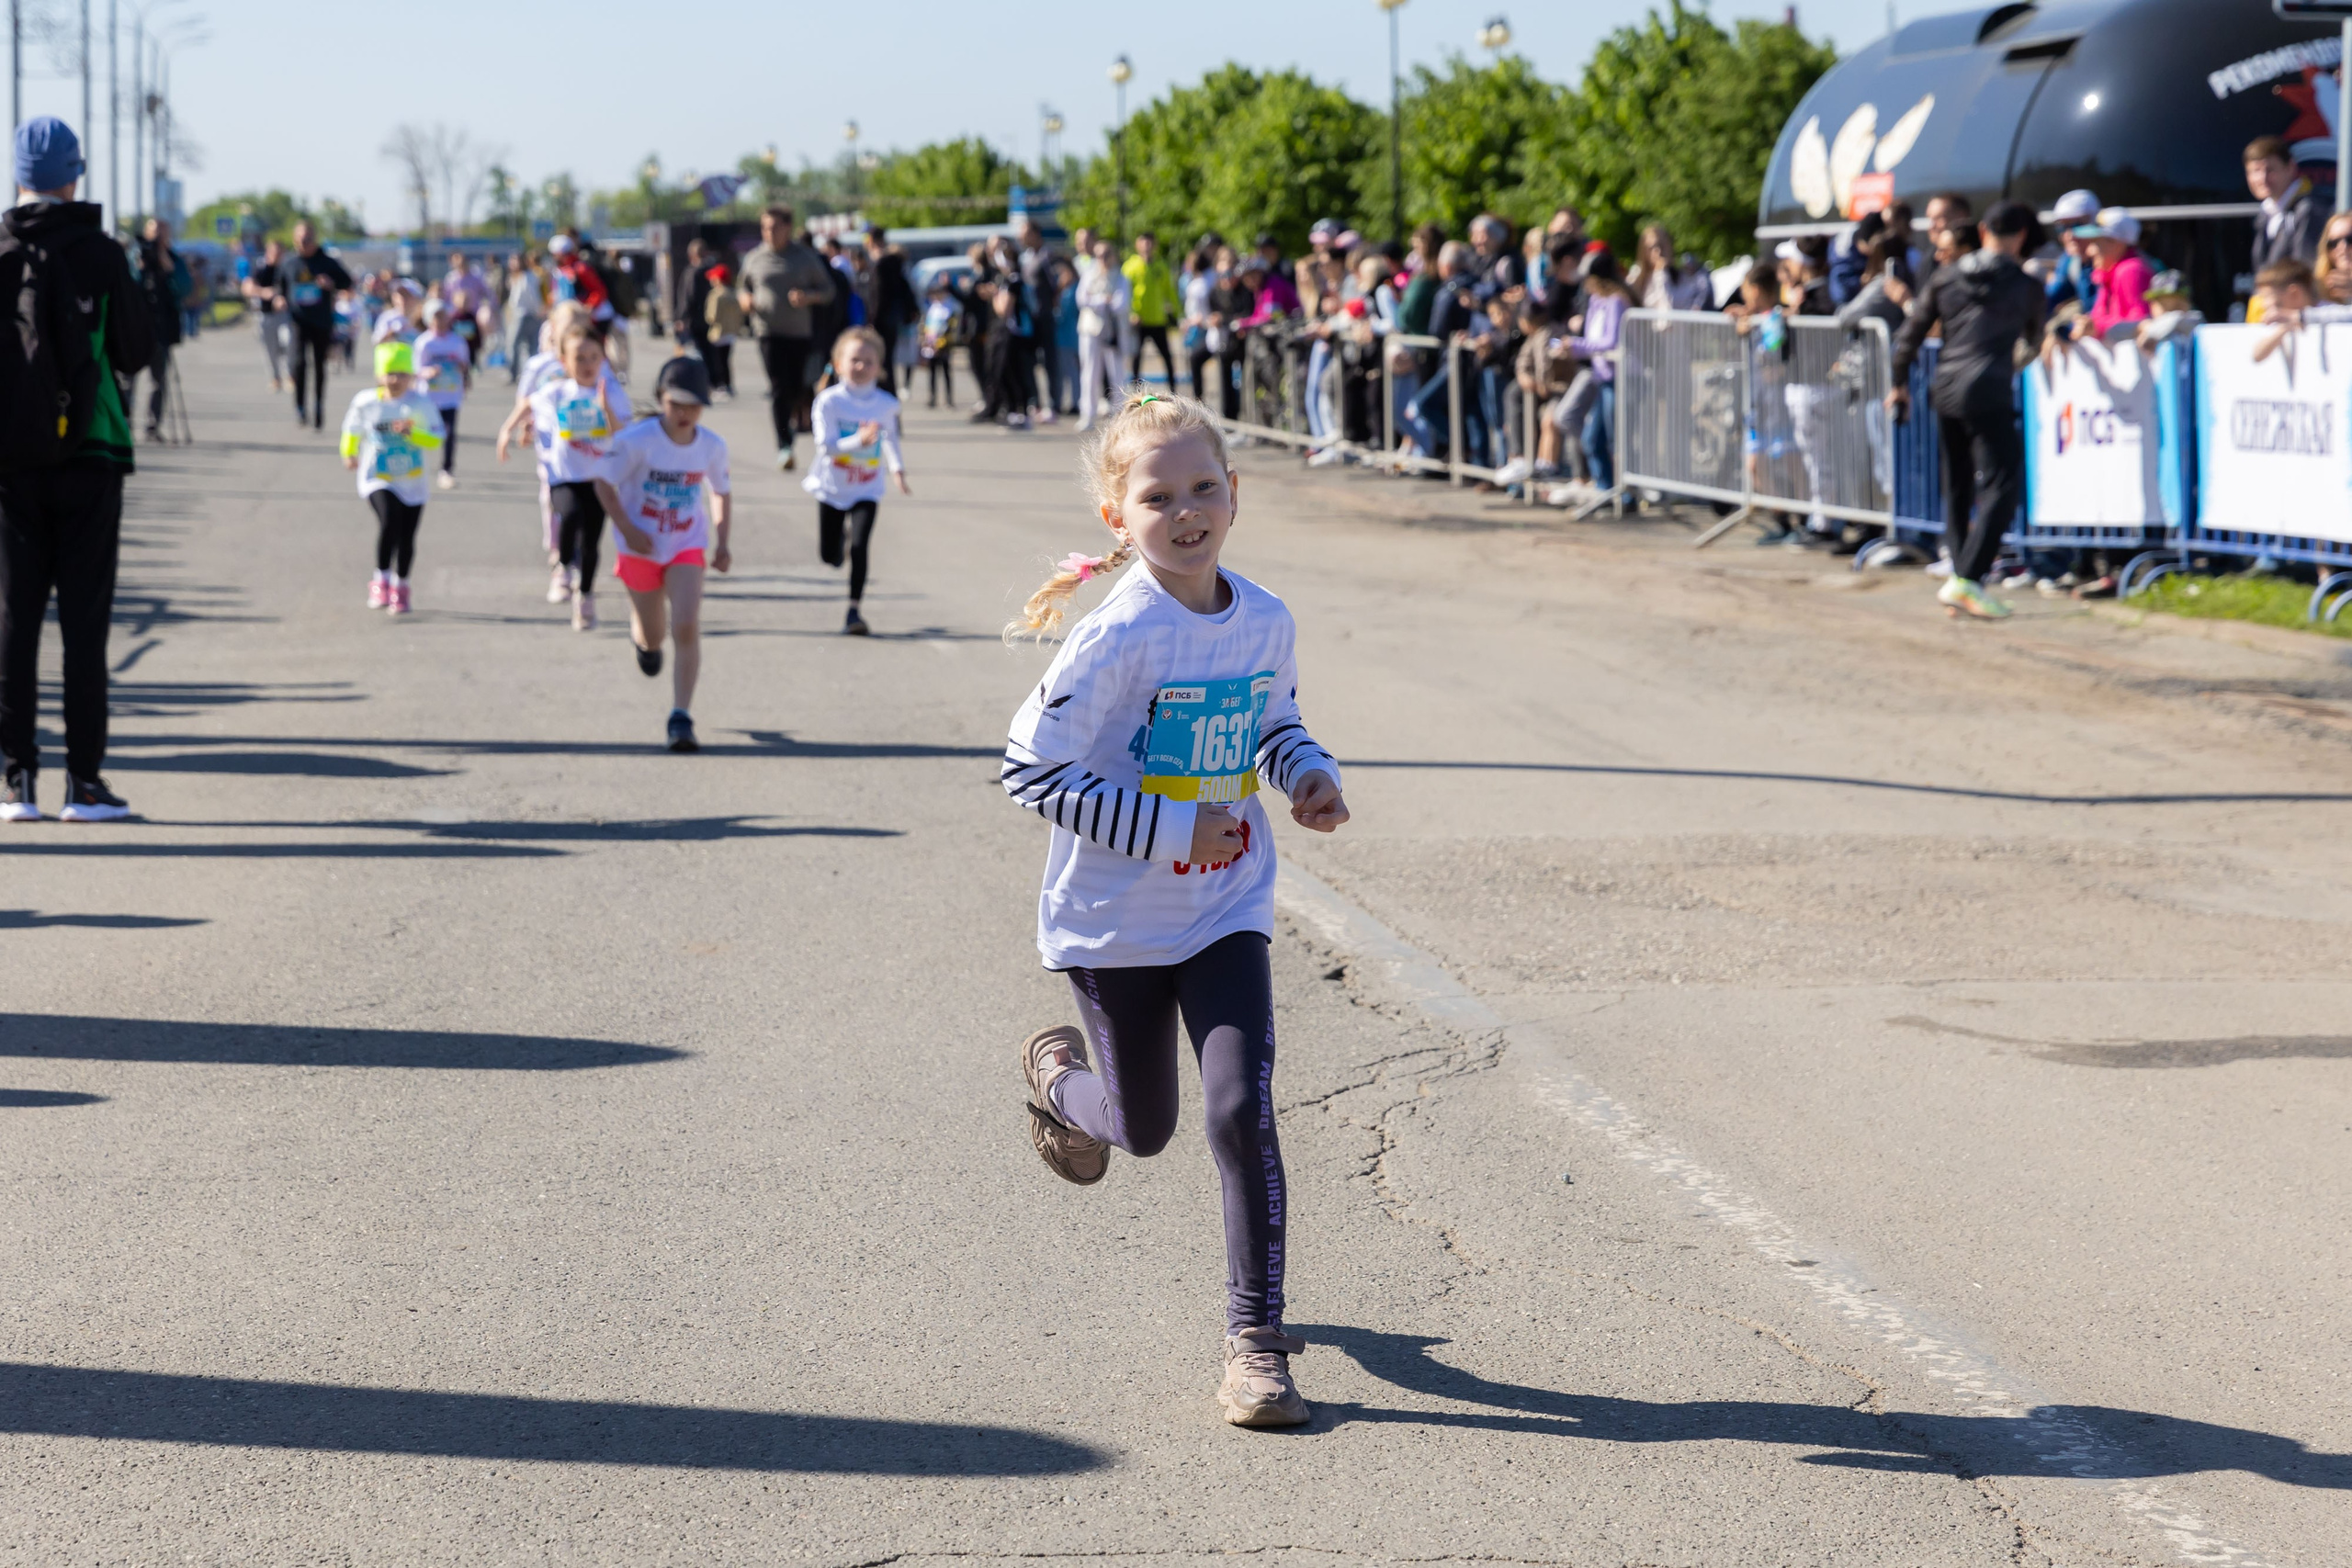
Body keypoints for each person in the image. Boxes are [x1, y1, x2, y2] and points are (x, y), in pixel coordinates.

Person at [1000, 389, 1350, 1428]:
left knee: (1241, 1108)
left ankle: (1256, 1346)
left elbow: (1273, 722)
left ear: (1234, 496)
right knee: (1144, 1131)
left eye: (1204, 488)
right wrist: (1166, 830)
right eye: (1159, 496)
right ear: (1120, 518)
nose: (1186, 511)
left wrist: (1307, 775)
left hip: (1223, 907)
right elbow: (1028, 771)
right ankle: (1062, 1082)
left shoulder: (1266, 618)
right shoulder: (1116, 638)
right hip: (1115, 922)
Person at [0, 116, 153, 824]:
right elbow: (133, 352)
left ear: (19, 176)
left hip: (9, 459)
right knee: (84, 625)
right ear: (74, 174)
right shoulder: (102, 251)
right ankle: (84, 784)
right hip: (92, 454)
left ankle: (14, 781)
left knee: (13, 619)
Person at [1890, 199, 2047, 621]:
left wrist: (1898, 383)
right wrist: (2012, 362)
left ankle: (1960, 580)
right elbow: (2034, 340)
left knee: (1957, 485)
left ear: (1981, 232)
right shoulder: (2027, 286)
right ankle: (1969, 578)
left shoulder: (1945, 278)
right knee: (2004, 481)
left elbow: (1909, 335)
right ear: (2021, 238)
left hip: (1944, 389)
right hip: (1989, 390)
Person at [596, 355, 731, 752]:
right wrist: (628, 529)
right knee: (654, 635)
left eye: (694, 405)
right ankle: (645, 646)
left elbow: (720, 491)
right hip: (640, 545)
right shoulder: (634, 442)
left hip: (685, 543)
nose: (685, 413)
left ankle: (680, 717)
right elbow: (604, 484)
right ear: (661, 398)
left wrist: (722, 542)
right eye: (676, 404)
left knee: (686, 624)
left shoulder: (711, 446)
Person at [499, 317, 627, 631]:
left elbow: (622, 432)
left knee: (593, 542)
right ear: (564, 361)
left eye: (593, 358)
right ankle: (563, 566)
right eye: (579, 358)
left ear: (603, 359)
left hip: (599, 477)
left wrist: (606, 408)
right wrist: (509, 429)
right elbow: (528, 402)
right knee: (568, 515)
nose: (586, 364)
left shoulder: (611, 392)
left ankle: (585, 599)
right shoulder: (556, 392)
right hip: (565, 475)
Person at [803, 327, 909, 636]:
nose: (861, 366)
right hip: (832, 488)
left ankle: (853, 611)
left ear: (880, 366)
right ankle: (838, 549)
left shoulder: (886, 403)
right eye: (855, 360)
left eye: (869, 361)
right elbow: (826, 446)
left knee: (861, 545)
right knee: (830, 556)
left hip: (867, 487)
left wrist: (898, 469)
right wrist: (859, 440)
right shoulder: (828, 401)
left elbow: (890, 438)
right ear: (838, 364)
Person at [339, 341, 446, 616]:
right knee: (389, 520)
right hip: (378, 477)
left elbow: (436, 437)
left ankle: (402, 585)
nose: (395, 380)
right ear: (379, 376)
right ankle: (381, 579)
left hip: (412, 481)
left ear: (412, 376)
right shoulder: (367, 402)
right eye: (389, 373)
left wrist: (413, 434)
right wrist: (349, 453)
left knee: (407, 536)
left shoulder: (420, 404)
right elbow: (351, 429)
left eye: (401, 373)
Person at [739, 205, 836, 471]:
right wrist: (745, 300)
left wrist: (809, 297)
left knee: (795, 387)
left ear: (787, 228)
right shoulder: (754, 258)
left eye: (774, 227)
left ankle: (792, 423)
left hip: (799, 333)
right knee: (779, 387)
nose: (769, 233)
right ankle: (784, 444)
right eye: (764, 227)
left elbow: (828, 290)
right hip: (767, 331)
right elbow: (743, 287)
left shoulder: (804, 258)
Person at [274, 220, 354, 430]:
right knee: (299, 363)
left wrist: (332, 284)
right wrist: (279, 299)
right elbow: (279, 288)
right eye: (301, 239)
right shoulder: (289, 263)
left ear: (315, 239)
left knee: (319, 365)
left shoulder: (327, 262)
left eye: (308, 239)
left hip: (321, 321)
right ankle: (300, 406)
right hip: (298, 321)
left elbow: (347, 282)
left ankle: (318, 406)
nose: (304, 243)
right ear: (294, 240)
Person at [133, 218, 190, 443]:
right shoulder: (135, 258)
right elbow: (127, 286)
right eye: (154, 233)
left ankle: (152, 426)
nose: (157, 238)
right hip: (135, 327)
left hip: (162, 328)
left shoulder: (174, 260)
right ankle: (125, 423)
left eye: (162, 233)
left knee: (159, 380)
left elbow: (184, 289)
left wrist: (168, 266)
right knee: (128, 380)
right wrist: (139, 268)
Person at [2247, 136, 2325, 288]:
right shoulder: (2266, 214)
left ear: (2290, 167)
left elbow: (2304, 272)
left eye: (2270, 170)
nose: (2262, 178)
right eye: (2255, 171)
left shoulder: (2308, 209)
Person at [412, 300, 471, 489]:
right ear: (429, 319)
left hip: (450, 396)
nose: (440, 320)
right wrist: (428, 372)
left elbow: (466, 365)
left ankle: (446, 470)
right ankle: (415, 466)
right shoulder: (424, 342)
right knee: (421, 433)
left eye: (443, 315)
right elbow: (416, 370)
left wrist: (462, 368)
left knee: (449, 434)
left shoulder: (457, 341)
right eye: (436, 316)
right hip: (428, 397)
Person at [1076, 237, 1130, 429]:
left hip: (1113, 331)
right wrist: (1102, 300)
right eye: (1099, 255)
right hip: (1090, 329)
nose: (1102, 259)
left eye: (1106, 255)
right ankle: (1087, 414)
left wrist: (1098, 301)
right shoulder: (1089, 275)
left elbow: (1120, 304)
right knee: (1089, 372)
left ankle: (1119, 415)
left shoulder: (1121, 277)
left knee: (1117, 374)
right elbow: (1082, 299)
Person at [1123, 231, 1181, 387]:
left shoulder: (1161, 266)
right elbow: (1123, 293)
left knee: (1167, 357)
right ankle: (1135, 390)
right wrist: (1131, 313)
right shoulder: (1130, 267)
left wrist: (1178, 314)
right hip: (1139, 321)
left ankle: (1173, 389)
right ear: (1137, 244)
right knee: (1136, 358)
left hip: (1157, 319)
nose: (1147, 246)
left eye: (1149, 243)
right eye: (1143, 242)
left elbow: (1170, 292)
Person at [245, 237, 288, 391]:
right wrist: (264, 293)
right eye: (273, 252)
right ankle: (275, 378)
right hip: (266, 314)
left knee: (287, 341)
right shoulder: (261, 269)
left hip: (285, 314)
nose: (276, 256)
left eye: (279, 253)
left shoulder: (287, 268)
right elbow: (247, 288)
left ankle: (289, 375)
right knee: (270, 349)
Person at [703, 262, 744, 400]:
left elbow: (712, 316)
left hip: (718, 332)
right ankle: (728, 385)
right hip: (731, 332)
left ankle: (720, 385)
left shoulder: (717, 295)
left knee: (718, 361)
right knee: (726, 360)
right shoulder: (734, 294)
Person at [919, 276, 961, 408]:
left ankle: (949, 398)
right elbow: (925, 326)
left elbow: (951, 327)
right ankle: (932, 398)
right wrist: (925, 340)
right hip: (930, 345)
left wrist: (941, 342)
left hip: (944, 345)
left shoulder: (950, 308)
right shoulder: (931, 309)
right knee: (932, 372)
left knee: (946, 371)